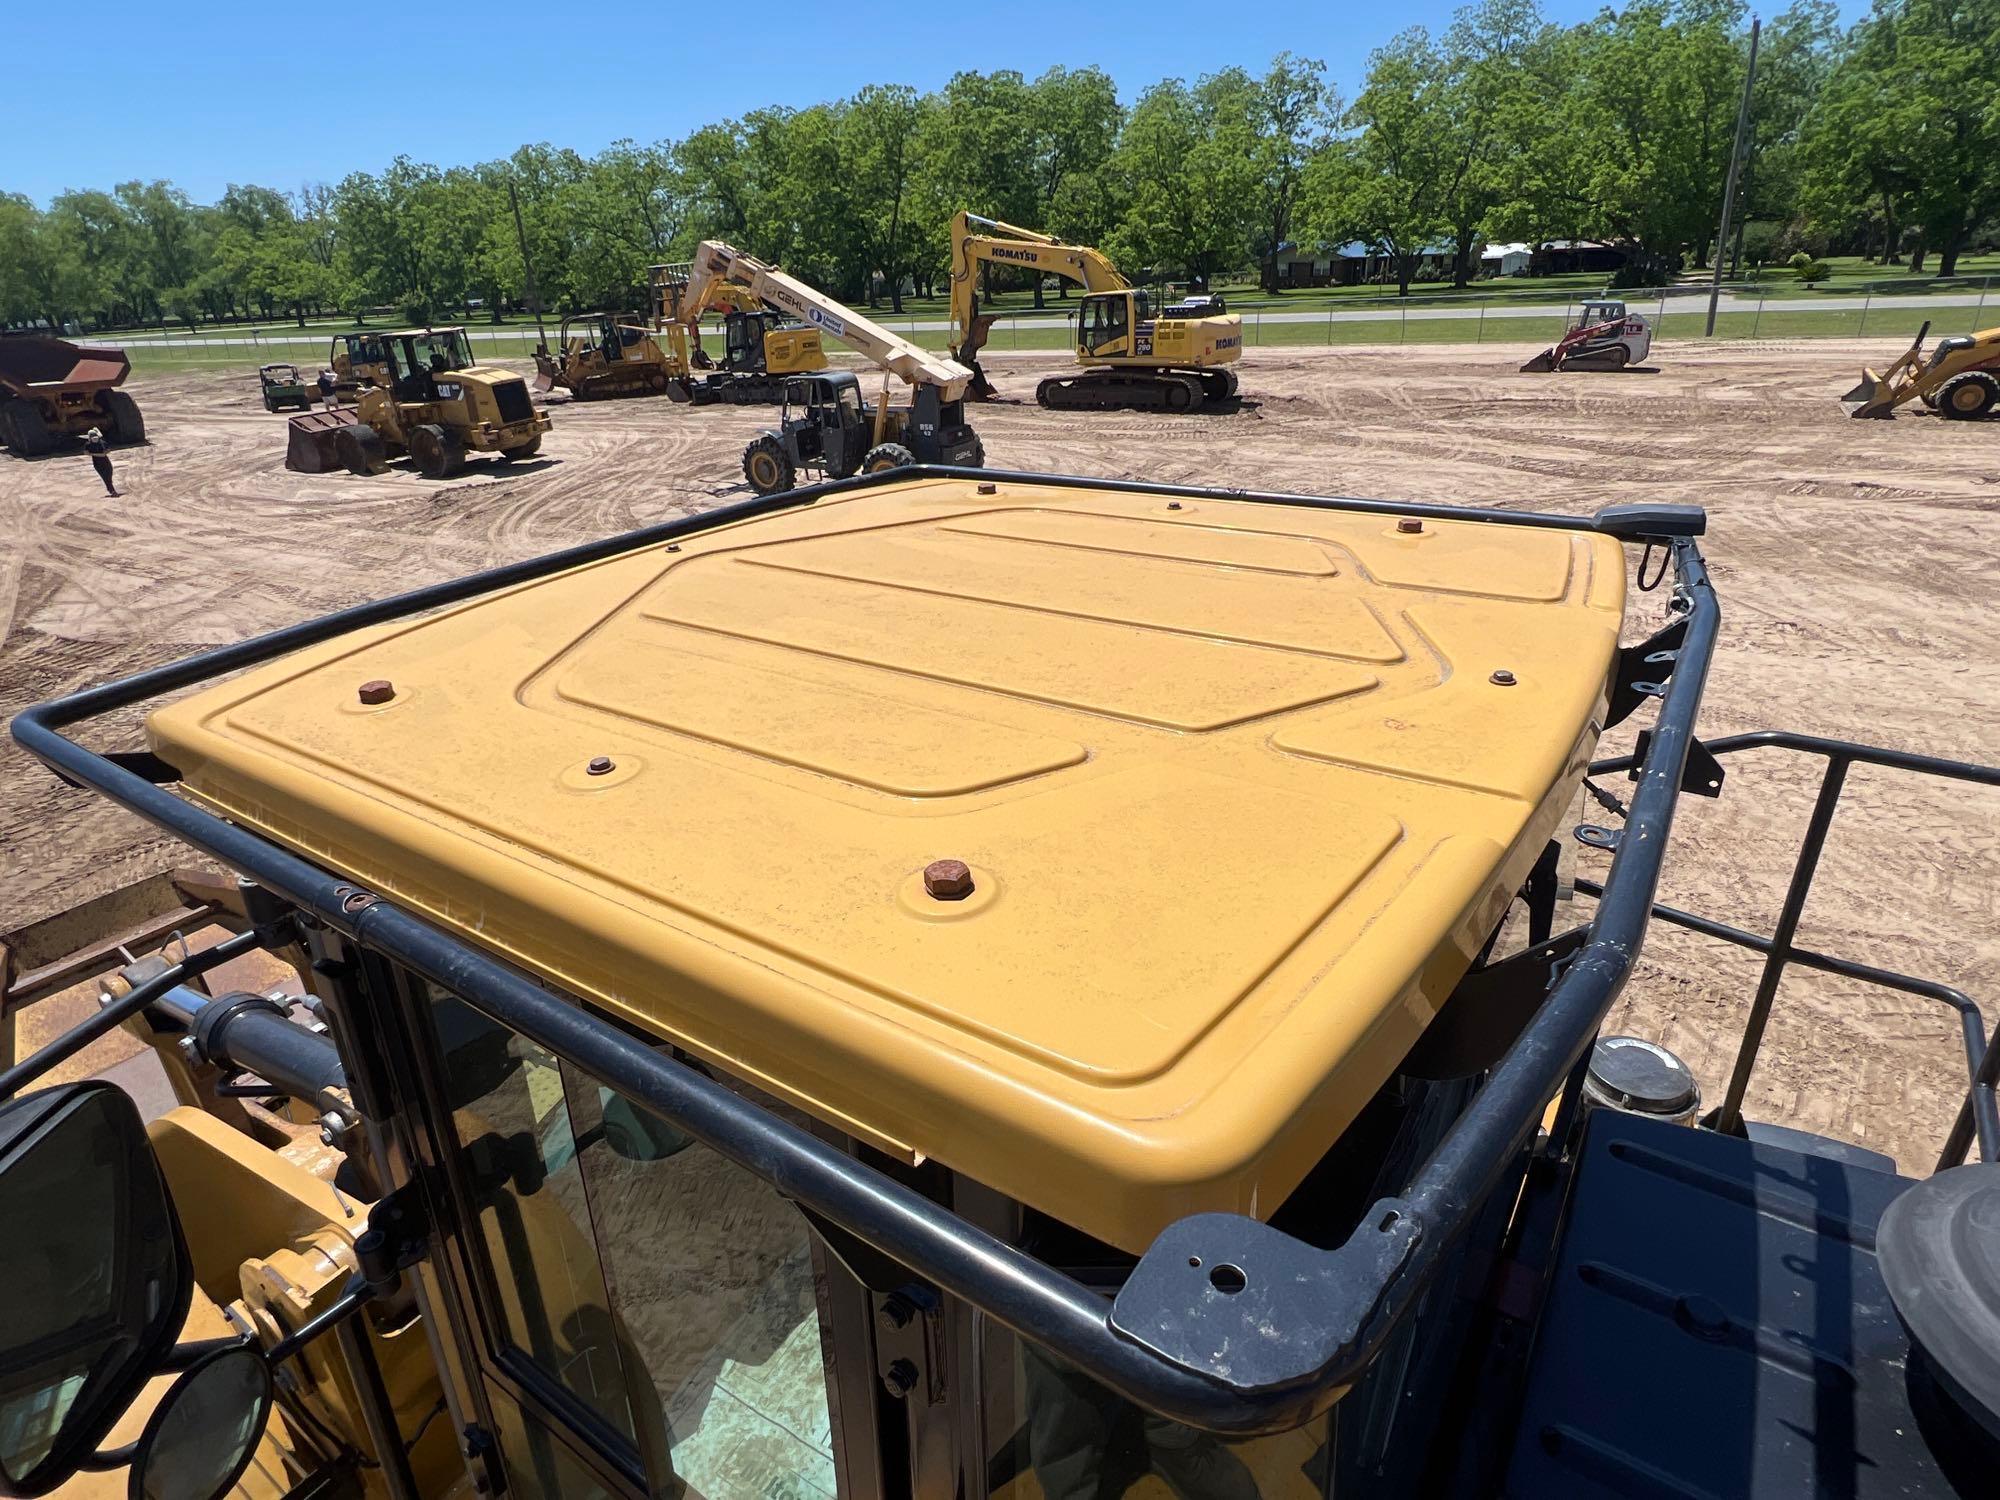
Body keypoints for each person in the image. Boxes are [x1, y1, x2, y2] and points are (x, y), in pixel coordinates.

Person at [83, 429, 116, 496]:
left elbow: (86, 453)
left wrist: (92, 454)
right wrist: (98, 454)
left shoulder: (89, 444)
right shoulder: (102, 442)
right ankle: (112, 490)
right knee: (107, 477)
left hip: (98, 463)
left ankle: (111, 489)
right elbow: (105, 453)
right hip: (105, 462)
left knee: (106, 478)